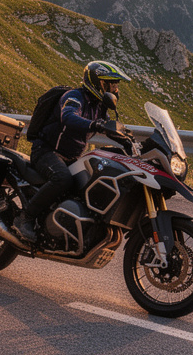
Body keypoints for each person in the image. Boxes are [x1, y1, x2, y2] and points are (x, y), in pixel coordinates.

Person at [13, 60, 132, 243]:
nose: (115, 90)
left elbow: (109, 127)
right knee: (62, 179)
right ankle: (25, 218)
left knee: (90, 182)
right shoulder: (75, 97)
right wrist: (95, 124)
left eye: (116, 85)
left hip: (71, 158)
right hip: (47, 151)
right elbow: (68, 116)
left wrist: (130, 141)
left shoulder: (99, 108)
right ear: (98, 83)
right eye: (112, 84)